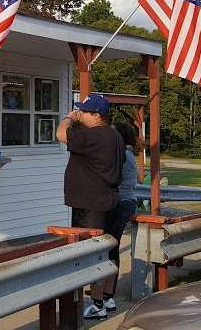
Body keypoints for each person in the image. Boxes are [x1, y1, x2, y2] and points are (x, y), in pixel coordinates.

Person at [56, 93, 123, 320]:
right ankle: (107, 297)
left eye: (83, 111)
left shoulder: (92, 135)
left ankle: (96, 305)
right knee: (110, 249)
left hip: (91, 204)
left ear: (96, 115)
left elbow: (60, 134)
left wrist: (68, 118)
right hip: (110, 199)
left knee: (93, 254)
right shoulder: (115, 136)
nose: (79, 113)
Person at [92, 121, 140, 316]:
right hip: (125, 202)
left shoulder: (122, 156)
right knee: (113, 246)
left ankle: (103, 297)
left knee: (107, 247)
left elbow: (109, 178)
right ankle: (107, 296)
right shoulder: (127, 154)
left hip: (119, 203)